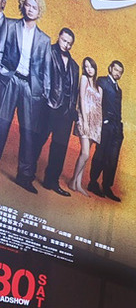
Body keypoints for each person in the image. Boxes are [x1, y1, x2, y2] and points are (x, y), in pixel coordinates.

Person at [0, 0, 51, 193]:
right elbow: (0, 48)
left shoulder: (44, 40)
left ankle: (25, 177)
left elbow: (46, 70)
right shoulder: (10, 25)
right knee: (1, 125)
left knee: (29, 133)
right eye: (27, 5)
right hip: (10, 80)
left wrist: (44, 93)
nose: (30, 9)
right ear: (22, 6)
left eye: (34, 7)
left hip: (31, 88)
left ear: (39, 12)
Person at [37, 27, 79, 197]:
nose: (66, 45)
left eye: (69, 43)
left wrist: (71, 112)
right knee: (37, 139)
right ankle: (26, 174)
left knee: (59, 149)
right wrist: (43, 99)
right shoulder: (48, 52)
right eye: (64, 41)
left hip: (66, 113)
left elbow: (74, 91)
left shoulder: (75, 66)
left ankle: (51, 181)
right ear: (58, 37)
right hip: (48, 106)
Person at [88, 59, 124, 201]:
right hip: (105, 125)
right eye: (116, 70)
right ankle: (93, 182)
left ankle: (107, 186)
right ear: (110, 68)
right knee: (100, 155)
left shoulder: (118, 89)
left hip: (116, 127)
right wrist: (102, 120)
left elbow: (118, 109)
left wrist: (119, 125)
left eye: (120, 72)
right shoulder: (102, 81)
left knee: (112, 159)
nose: (118, 74)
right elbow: (96, 101)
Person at [70, 56, 103, 195]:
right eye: (86, 66)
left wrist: (97, 126)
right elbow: (82, 99)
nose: (89, 69)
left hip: (96, 123)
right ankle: (73, 181)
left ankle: (78, 183)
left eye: (91, 66)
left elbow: (99, 107)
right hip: (84, 119)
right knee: (85, 153)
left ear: (95, 68)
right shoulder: (84, 79)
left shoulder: (99, 88)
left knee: (86, 155)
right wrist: (83, 120)